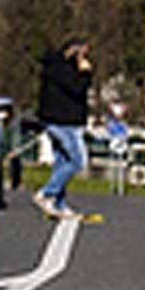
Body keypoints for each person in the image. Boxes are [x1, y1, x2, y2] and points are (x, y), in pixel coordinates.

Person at [36, 35, 94, 218]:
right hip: (64, 121)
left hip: (57, 120)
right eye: (83, 53)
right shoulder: (62, 68)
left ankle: (58, 204)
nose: (84, 58)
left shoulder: (53, 66)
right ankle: (47, 193)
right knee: (77, 160)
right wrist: (85, 73)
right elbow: (77, 89)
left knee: (62, 162)